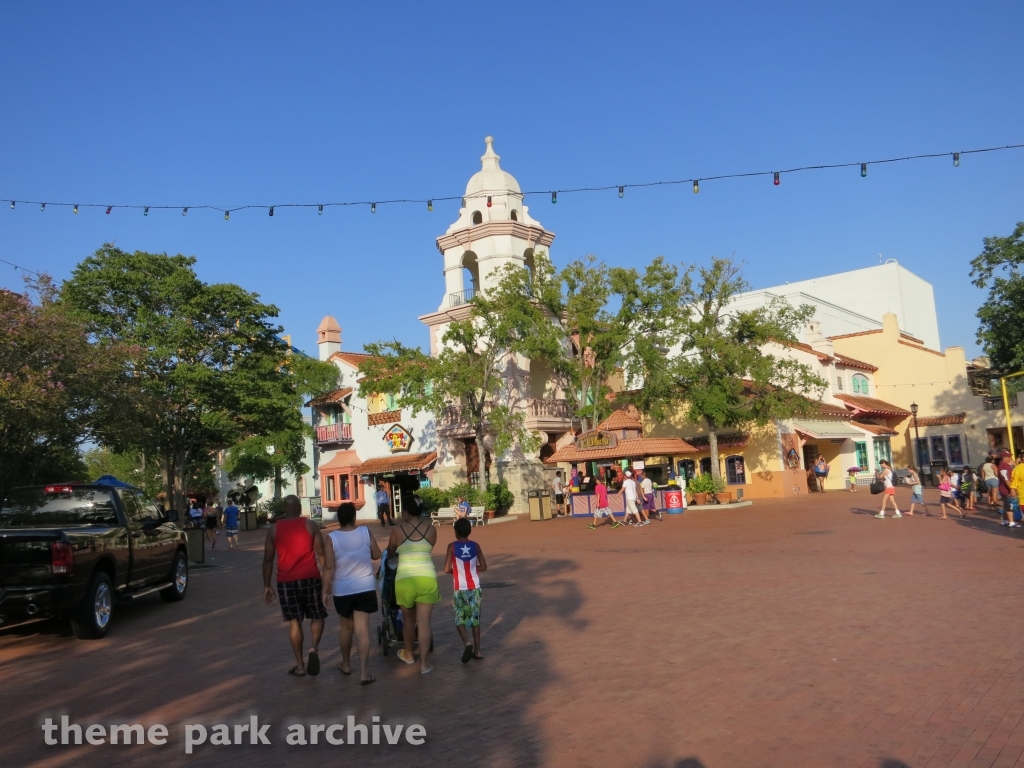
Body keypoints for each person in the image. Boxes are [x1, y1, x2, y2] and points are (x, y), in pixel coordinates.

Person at [263, 495, 327, 677]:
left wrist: (267, 585)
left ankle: (300, 666)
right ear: (299, 507)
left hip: (286, 581)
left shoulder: (274, 529)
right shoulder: (310, 525)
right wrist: (327, 578)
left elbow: (268, 559)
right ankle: (314, 647)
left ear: (284, 508)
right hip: (310, 577)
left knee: (294, 621)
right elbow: (321, 554)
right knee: (317, 615)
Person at [321, 502, 380, 685]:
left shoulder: (331, 538)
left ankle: (346, 665)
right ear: (354, 517)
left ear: (338, 519)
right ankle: (364, 673)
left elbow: (329, 567)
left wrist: (324, 591)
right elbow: (377, 554)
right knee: (362, 630)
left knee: (346, 628)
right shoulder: (365, 532)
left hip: (343, 588)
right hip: (365, 585)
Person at [387, 502, 440, 674]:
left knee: (408, 620)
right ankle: (424, 664)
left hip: (405, 579)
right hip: (427, 577)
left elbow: (391, 552)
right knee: (424, 621)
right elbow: (428, 548)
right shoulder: (431, 530)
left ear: (408, 511)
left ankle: (409, 654)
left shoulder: (397, 530)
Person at [443, 517, 488, 663]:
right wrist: (474, 569)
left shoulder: (451, 546)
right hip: (474, 586)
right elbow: (484, 566)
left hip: (459, 587)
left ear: (455, 532)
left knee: (459, 617)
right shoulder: (476, 545)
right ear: (469, 531)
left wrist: (453, 571)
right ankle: (478, 650)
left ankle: (466, 642)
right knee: (475, 619)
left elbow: (445, 569)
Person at [997, 449, 1020, 528]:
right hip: (1006, 489)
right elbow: (1006, 479)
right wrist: (1012, 489)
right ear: (1004, 458)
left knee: (1006, 505)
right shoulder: (1004, 466)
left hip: (1004, 488)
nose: (1010, 458)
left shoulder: (1004, 465)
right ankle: (1011, 522)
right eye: (1009, 457)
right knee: (1010, 506)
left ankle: (1006, 521)